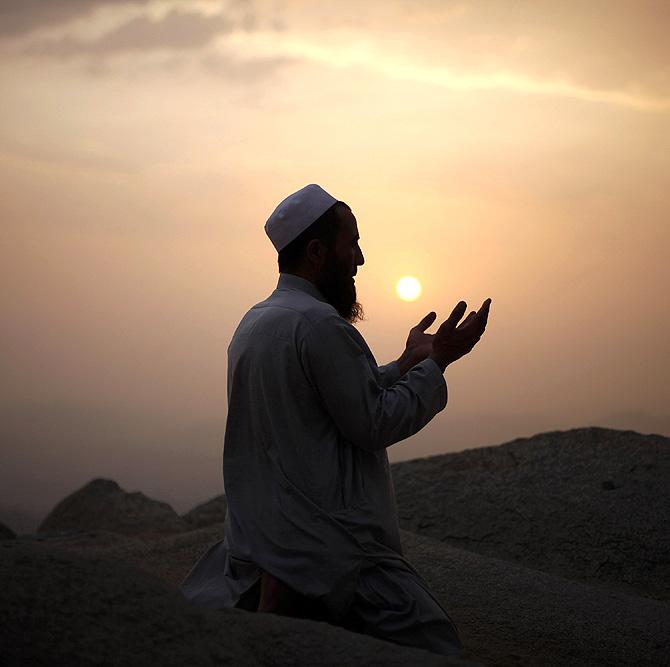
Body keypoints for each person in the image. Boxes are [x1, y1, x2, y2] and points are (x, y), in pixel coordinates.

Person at [181, 184, 491, 657]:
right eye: (353, 244)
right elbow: (373, 424)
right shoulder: (321, 326)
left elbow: (337, 395)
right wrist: (438, 364)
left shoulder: (258, 320)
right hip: (327, 550)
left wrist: (407, 362)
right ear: (316, 252)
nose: (361, 259)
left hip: (261, 539)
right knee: (435, 647)